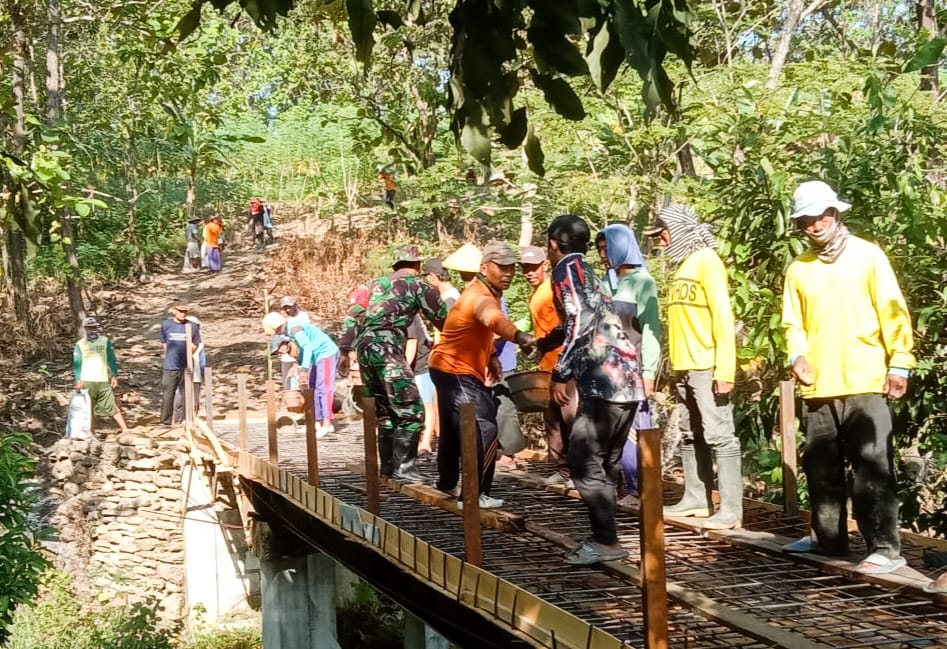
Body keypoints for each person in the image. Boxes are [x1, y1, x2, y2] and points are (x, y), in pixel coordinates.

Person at [781, 180, 915, 575]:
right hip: (819, 384)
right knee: (820, 466)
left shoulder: (867, 256)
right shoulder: (799, 269)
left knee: (872, 465)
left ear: (835, 214)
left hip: (864, 378)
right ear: (800, 224)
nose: (816, 223)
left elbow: (893, 311)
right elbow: (793, 324)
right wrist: (797, 355)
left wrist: (900, 362)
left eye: (822, 215)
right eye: (807, 218)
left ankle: (886, 549)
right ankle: (828, 540)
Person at [541, 215, 643, 564]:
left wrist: (560, 371)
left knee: (584, 460)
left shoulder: (565, 271)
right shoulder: (592, 272)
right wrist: (546, 342)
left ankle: (606, 541)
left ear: (553, 244)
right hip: (629, 378)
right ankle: (606, 534)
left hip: (605, 380)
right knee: (606, 459)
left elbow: (581, 322)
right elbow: (585, 316)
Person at [644, 205, 741, 530]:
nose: (661, 241)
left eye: (662, 233)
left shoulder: (707, 262)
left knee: (720, 435)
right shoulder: (684, 265)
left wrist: (725, 368)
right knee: (689, 433)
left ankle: (730, 509)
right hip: (685, 366)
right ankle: (696, 497)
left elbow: (723, 317)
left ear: (678, 229)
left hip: (707, 364)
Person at [430, 241, 535, 509]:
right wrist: (520, 337)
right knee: (485, 428)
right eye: (502, 267)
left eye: (512, 267)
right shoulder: (480, 296)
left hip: (445, 367)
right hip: (455, 370)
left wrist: (490, 356)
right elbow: (492, 320)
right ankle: (474, 495)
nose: (509, 272)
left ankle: (447, 482)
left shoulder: (486, 290)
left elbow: (479, 330)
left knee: (456, 428)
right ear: (485, 267)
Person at [340, 245, 452, 482]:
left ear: (394, 266)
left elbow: (352, 315)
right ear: (418, 266)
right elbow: (444, 319)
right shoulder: (417, 285)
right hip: (387, 348)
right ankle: (405, 468)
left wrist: (344, 350)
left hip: (365, 349)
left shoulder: (372, 285)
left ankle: (388, 467)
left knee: (386, 411)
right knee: (411, 409)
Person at [597, 224, 661, 509]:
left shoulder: (642, 282)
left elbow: (650, 330)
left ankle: (639, 490)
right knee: (611, 431)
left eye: (606, 248)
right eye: (599, 250)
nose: (602, 255)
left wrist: (649, 372)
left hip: (632, 367)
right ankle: (619, 486)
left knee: (637, 428)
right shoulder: (606, 283)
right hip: (607, 370)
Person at [522, 244, 576, 487]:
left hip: (563, 363)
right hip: (546, 364)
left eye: (534, 267)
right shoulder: (535, 294)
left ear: (544, 265)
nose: (530, 272)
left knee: (569, 417)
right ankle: (562, 468)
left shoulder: (552, 288)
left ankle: (577, 471)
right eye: (525, 268)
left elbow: (568, 324)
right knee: (552, 419)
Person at [262, 311, 340, 437]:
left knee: (324, 389)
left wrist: (303, 369)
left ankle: (327, 424)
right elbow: (303, 350)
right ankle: (316, 422)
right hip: (317, 357)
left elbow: (307, 346)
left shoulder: (294, 328)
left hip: (326, 353)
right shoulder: (289, 331)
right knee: (313, 388)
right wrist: (298, 365)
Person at [73, 316, 130, 434]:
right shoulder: (80, 344)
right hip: (87, 381)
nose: (92, 330)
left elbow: (111, 359)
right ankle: (91, 432)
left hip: (103, 379)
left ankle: (125, 429)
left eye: (94, 327)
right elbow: (77, 364)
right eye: (89, 328)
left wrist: (114, 375)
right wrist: (78, 381)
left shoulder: (105, 341)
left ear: (97, 328)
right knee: (88, 408)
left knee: (111, 405)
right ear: (85, 329)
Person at [160, 304, 201, 427]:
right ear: (174, 312)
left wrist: (189, 354)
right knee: (168, 394)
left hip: (186, 367)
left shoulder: (192, 326)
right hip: (170, 366)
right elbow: (164, 343)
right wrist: (170, 355)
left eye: (184, 312)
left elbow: (196, 344)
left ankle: (185, 419)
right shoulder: (166, 325)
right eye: (180, 311)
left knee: (186, 395)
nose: (182, 314)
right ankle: (165, 421)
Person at [278, 296, 311, 389]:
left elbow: (303, 334)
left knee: (303, 383)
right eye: (285, 307)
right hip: (287, 356)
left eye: (289, 306)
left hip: (301, 353)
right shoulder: (281, 318)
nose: (288, 309)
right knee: (288, 384)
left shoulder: (303, 316)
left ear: (295, 305)